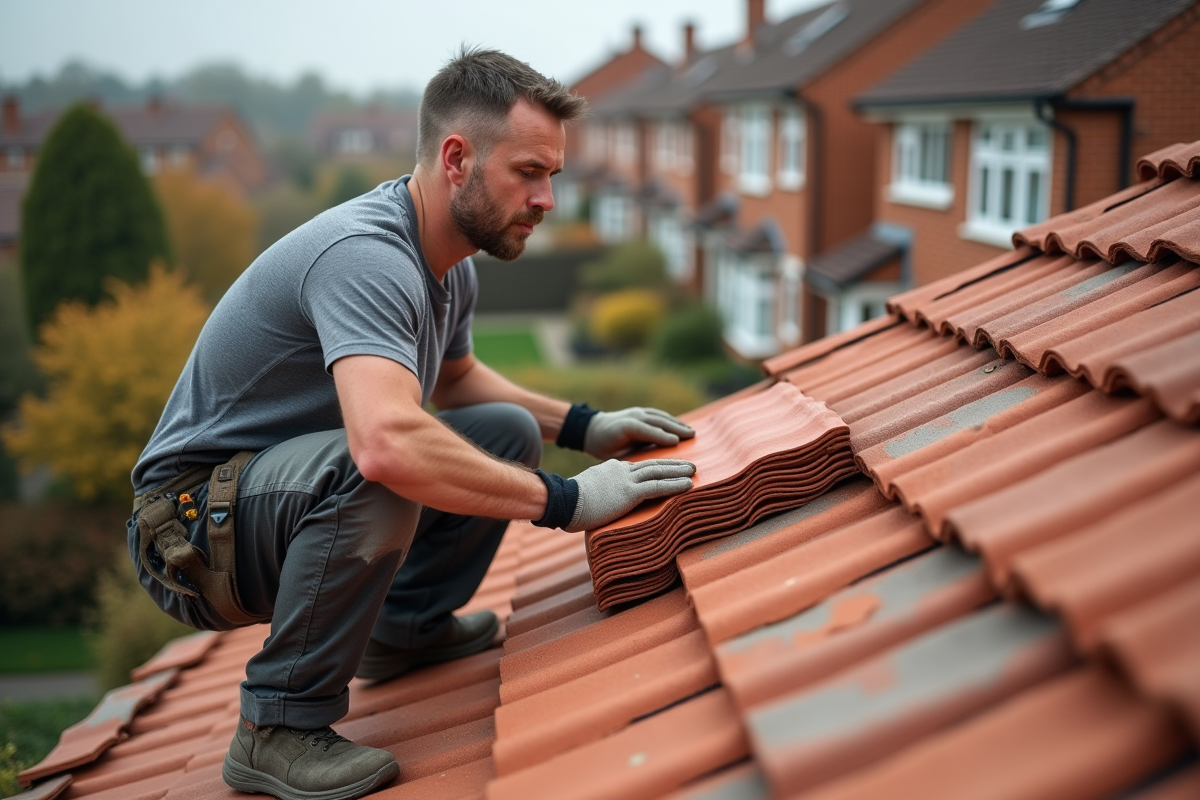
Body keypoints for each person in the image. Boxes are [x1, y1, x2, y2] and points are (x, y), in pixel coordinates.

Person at [127, 47, 697, 800]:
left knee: (500, 432)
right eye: (529, 172)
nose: (548, 198)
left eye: (552, 175)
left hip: (262, 504)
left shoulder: (446, 264)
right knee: (381, 464)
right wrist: (568, 501)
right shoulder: (367, 256)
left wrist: (585, 426)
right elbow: (388, 442)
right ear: (457, 158)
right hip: (191, 529)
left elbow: (457, 380)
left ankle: (404, 630)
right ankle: (277, 725)